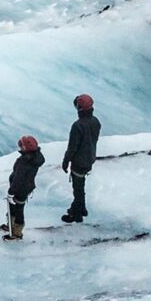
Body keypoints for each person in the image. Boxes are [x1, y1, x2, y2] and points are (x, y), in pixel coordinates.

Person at [61, 93, 101, 223]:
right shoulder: (95, 122)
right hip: (90, 158)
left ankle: (76, 215)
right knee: (80, 185)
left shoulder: (78, 125)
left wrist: (66, 160)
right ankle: (81, 208)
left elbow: (73, 146)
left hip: (79, 161)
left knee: (77, 188)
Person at [3, 135, 45, 241]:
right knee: (16, 207)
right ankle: (12, 227)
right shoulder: (35, 157)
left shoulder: (24, 162)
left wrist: (11, 192)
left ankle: (16, 232)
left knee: (18, 209)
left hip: (20, 189)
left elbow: (18, 179)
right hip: (27, 187)